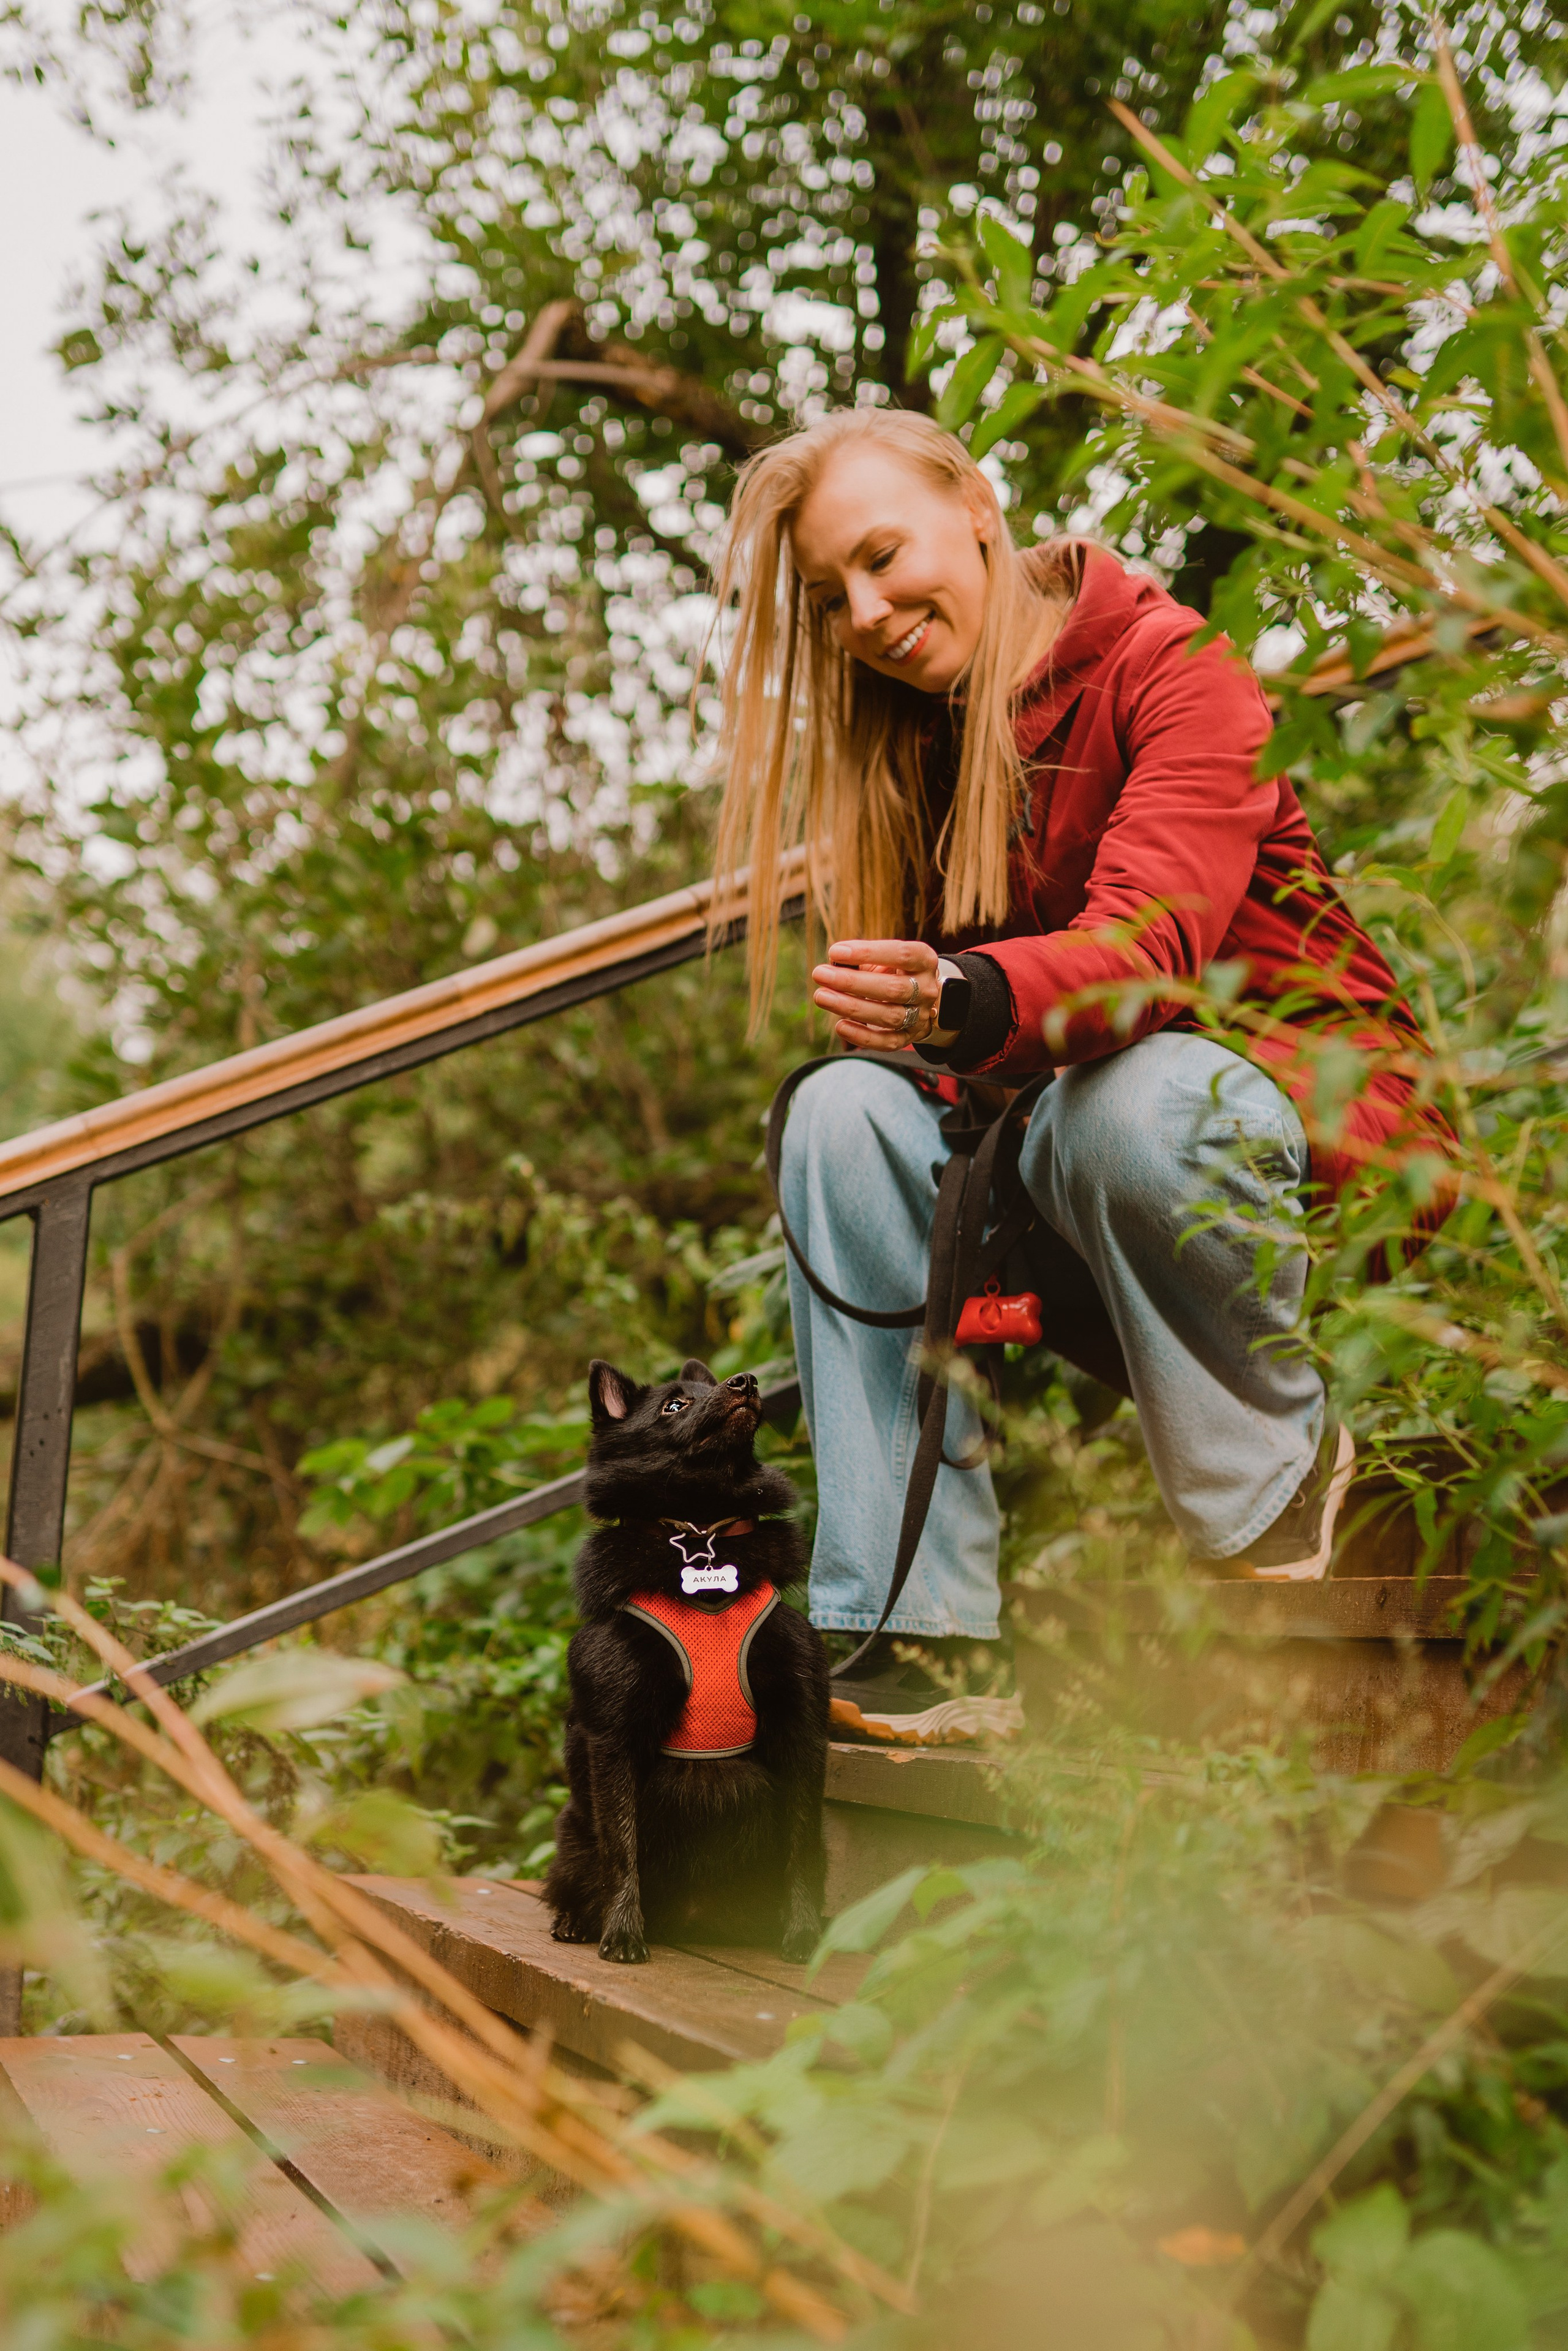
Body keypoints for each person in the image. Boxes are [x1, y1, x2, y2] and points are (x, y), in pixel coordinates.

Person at [707, 407, 1453, 1667]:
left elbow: (1144, 957)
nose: (870, 611)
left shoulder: (1172, 668)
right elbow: (951, 1088)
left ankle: (1276, 1510)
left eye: (884, 555)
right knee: (838, 1118)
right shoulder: (914, 750)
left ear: (975, 506)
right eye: (831, 598)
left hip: (1323, 1168)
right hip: (1093, 1182)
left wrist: (965, 997)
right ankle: (915, 1622)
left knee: (1129, 1093)